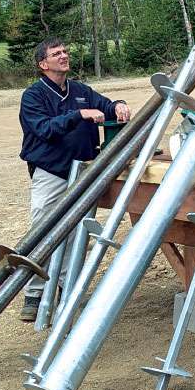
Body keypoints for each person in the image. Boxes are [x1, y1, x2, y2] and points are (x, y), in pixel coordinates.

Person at [17, 38, 130, 320]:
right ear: (43, 64)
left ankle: (67, 289)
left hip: (81, 172)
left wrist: (118, 105)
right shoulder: (33, 96)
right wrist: (77, 115)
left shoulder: (80, 90)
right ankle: (35, 293)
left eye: (66, 51)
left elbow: (104, 105)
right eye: (56, 54)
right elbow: (44, 129)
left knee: (76, 232)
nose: (64, 56)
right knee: (42, 230)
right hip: (51, 172)